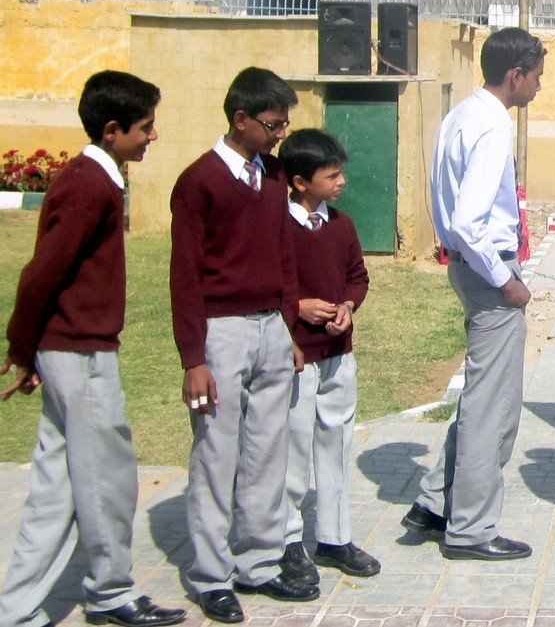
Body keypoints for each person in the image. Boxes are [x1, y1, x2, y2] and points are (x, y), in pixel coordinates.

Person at [0, 71, 186, 627]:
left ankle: (14, 610)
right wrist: (22, 347)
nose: (153, 136)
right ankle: (111, 592)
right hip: (79, 355)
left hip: (70, 351)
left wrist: (34, 351)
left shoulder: (98, 177)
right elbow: (42, 274)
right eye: (146, 127)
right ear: (112, 130)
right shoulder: (88, 184)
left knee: (58, 486)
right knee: (108, 477)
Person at [170, 67, 317, 623]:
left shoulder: (274, 176)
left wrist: (287, 328)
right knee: (216, 454)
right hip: (221, 332)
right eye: (273, 124)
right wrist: (194, 359)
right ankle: (212, 576)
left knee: (267, 452)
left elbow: (284, 255)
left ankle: (258, 563)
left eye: (284, 124)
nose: (280, 134)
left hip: (270, 332)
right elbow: (184, 276)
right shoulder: (198, 182)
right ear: (240, 119)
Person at [401, 26, 546, 561]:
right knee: (496, 410)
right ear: (515, 74)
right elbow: (469, 219)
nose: (537, 88)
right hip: (488, 274)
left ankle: (435, 502)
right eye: (536, 78)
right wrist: (505, 280)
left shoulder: (462, 113)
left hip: (467, 267)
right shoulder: (490, 126)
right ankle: (472, 530)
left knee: (480, 397)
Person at [275, 129, 378, 585]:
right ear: (299, 181)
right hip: (296, 356)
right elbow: (268, 286)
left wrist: (347, 308)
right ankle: (287, 540)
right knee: (294, 448)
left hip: (339, 353)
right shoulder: (276, 228)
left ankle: (334, 538)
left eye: (341, 173)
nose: (341, 182)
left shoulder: (342, 225)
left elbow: (358, 278)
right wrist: (298, 307)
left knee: (336, 444)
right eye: (331, 175)